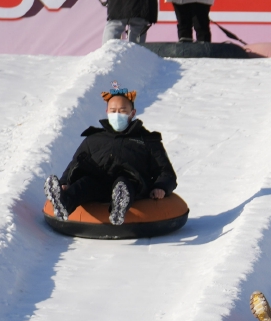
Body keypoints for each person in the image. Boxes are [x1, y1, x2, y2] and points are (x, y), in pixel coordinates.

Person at [45, 88, 178, 225]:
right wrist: (64, 182)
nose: (117, 114)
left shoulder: (147, 141)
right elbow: (76, 163)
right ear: (107, 112)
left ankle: (118, 209)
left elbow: (165, 171)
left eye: (122, 111)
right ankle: (62, 205)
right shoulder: (94, 139)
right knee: (84, 184)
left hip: (131, 185)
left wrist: (160, 187)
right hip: (98, 185)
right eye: (113, 111)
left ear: (132, 113)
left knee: (123, 183)